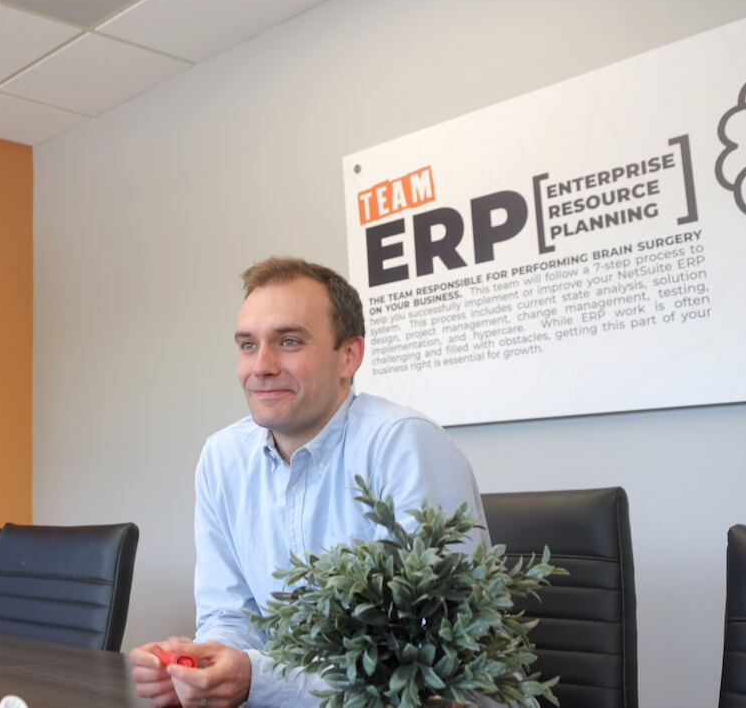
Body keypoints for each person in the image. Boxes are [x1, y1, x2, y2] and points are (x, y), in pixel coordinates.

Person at [129, 257, 489, 708]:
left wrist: (255, 679)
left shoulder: (404, 445)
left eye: (289, 341)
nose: (260, 366)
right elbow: (229, 615)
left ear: (349, 356)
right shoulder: (222, 459)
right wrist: (204, 664)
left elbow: (427, 661)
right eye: (247, 345)